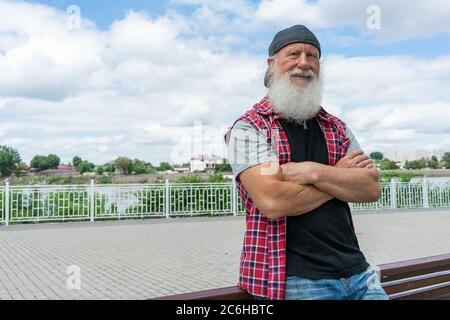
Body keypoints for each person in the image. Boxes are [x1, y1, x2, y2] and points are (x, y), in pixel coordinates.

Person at [225, 25, 388, 300]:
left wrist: (310, 171)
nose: (304, 63)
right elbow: (274, 202)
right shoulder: (250, 129)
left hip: (359, 274)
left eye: (312, 56)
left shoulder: (337, 128)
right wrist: (338, 177)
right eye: (293, 54)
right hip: (293, 281)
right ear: (271, 63)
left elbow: (370, 189)